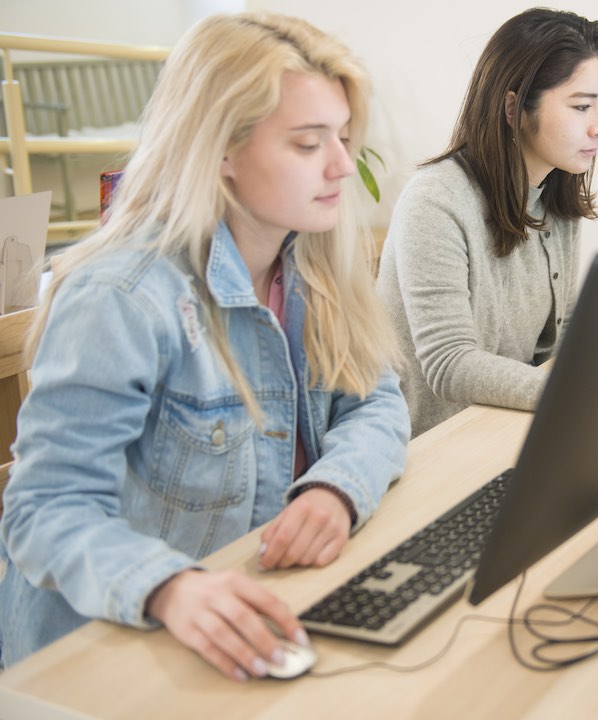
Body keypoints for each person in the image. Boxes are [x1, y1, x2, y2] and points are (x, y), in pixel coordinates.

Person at [0, 12, 410, 681]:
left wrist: (335, 488)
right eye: (308, 144)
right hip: (102, 653)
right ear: (220, 150)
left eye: (342, 136)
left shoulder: (310, 262)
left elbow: (378, 401)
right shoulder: (124, 295)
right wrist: (170, 586)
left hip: (256, 606)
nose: (341, 165)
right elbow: (46, 508)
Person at [376, 8, 598, 436]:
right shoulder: (435, 200)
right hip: (432, 447)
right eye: (581, 106)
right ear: (513, 107)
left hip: (505, 428)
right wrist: (580, 392)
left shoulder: (557, 194)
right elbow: (450, 366)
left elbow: (558, 339)